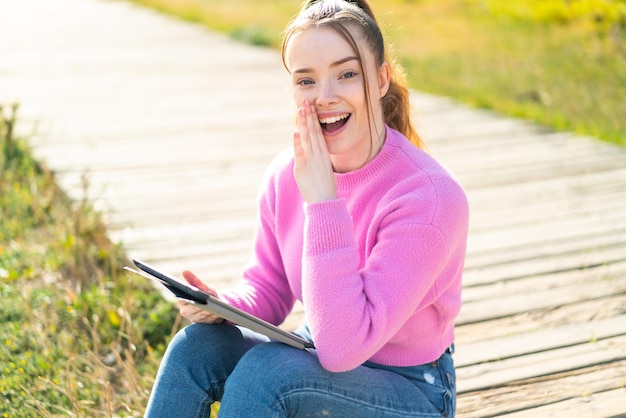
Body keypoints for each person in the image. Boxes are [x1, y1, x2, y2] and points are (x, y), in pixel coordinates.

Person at [144, 0, 469, 416]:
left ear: (382, 78)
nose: (325, 97)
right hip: (316, 352)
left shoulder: (429, 199)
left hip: (411, 390)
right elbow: (269, 286)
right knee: (197, 349)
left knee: (269, 373)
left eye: (347, 74)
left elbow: (342, 347)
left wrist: (323, 200)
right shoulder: (286, 173)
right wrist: (219, 303)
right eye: (306, 81)